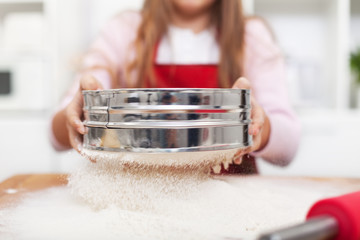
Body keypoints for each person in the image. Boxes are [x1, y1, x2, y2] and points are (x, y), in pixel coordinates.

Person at [50, 0, 301, 174]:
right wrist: (78, 113)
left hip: (232, 202)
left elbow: (288, 147)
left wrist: (259, 124)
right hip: (139, 201)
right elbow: (56, 136)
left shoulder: (251, 36)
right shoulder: (125, 31)